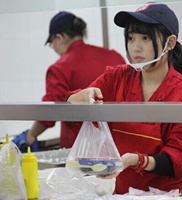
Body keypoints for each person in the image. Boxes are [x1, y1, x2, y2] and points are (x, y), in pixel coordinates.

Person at [66, 3, 182, 196]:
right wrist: (79, 97)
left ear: (170, 43)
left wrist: (138, 161)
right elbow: (72, 107)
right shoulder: (117, 78)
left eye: (145, 38)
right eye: (131, 38)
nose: (136, 47)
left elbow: (177, 161)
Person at [12, 11, 125, 152]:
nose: (53, 48)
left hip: (80, 152)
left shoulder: (60, 68)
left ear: (59, 38)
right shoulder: (114, 57)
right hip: (118, 148)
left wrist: (30, 135)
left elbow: (49, 112)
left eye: (51, 43)